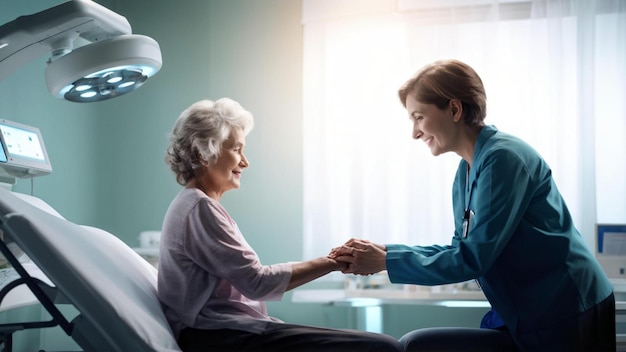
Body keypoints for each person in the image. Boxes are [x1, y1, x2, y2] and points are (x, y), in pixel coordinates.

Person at [330, 59, 615, 352]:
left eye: (418, 117)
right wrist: (385, 253)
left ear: (454, 109)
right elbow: (460, 250)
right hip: (528, 310)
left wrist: (384, 262)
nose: (414, 133)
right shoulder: (466, 172)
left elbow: (472, 259)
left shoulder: (503, 158)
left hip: (566, 309)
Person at [158, 98, 404, 352]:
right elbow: (257, 283)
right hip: (218, 336)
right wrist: (333, 262)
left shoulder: (195, 205)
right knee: (383, 348)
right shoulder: (200, 208)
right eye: (236, 150)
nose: (245, 161)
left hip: (225, 331)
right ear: (203, 153)